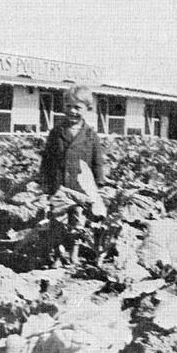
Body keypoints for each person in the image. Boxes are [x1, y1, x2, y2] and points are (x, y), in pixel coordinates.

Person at [40, 85, 105, 263]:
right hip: (59, 184)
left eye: (78, 107)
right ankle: (58, 255)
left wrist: (98, 184)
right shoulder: (56, 132)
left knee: (78, 221)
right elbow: (47, 159)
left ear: (87, 109)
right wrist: (44, 182)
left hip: (80, 187)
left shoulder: (91, 135)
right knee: (58, 221)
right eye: (68, 106)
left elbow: (97, 162)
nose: (72, 111)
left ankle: (74, 254)